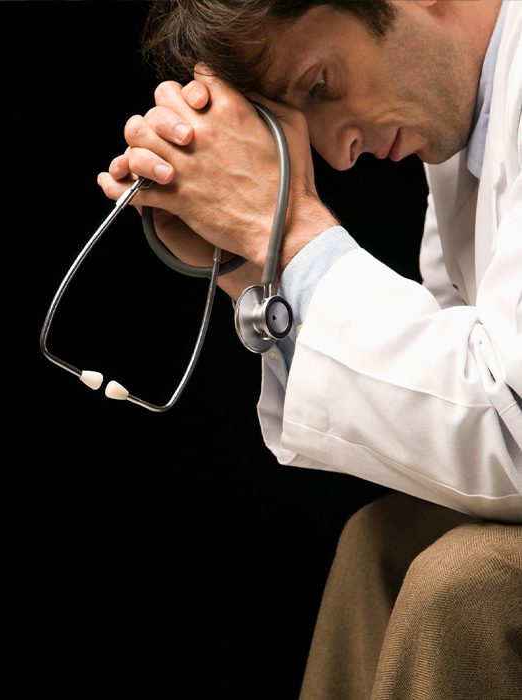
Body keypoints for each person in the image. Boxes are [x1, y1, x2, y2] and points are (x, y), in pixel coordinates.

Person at [98, 1, 522, 697]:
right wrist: (253, 262)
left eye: (320, 83)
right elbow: (453, 392)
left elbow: (511, 433)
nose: (337, 155)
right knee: (377, 547)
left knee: (465, 587)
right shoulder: (469, 125)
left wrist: (293, 230)